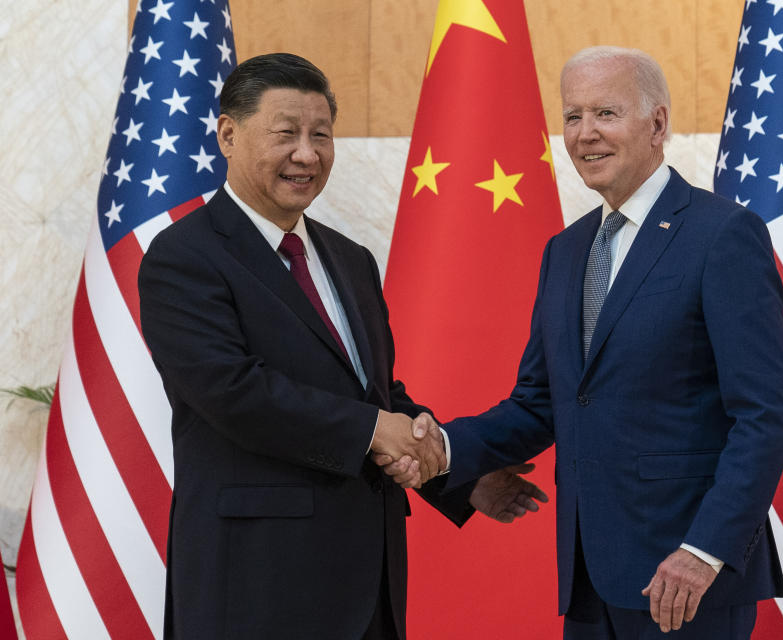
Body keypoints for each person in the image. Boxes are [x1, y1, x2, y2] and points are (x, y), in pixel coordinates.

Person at [379, 46, 783, 638]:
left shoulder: (723, 235)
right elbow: (541, 403)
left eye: (605, 113)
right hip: (586, 577)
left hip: (685, 580)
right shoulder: (566, 250)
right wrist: (442, 448)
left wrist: (705, 551)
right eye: (572, 116)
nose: (584, 134)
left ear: (657, 124)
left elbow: (766, 413)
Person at [138, 52, 546, 640]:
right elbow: (234, 393)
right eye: (286, 134)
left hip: (368, 582)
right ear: (228, 134)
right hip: (257, 586)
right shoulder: (184, 257)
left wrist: (457, 473)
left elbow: (378, 396)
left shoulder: (350, 260)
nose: (307, 154)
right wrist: (376, 430)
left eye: (321, 135)